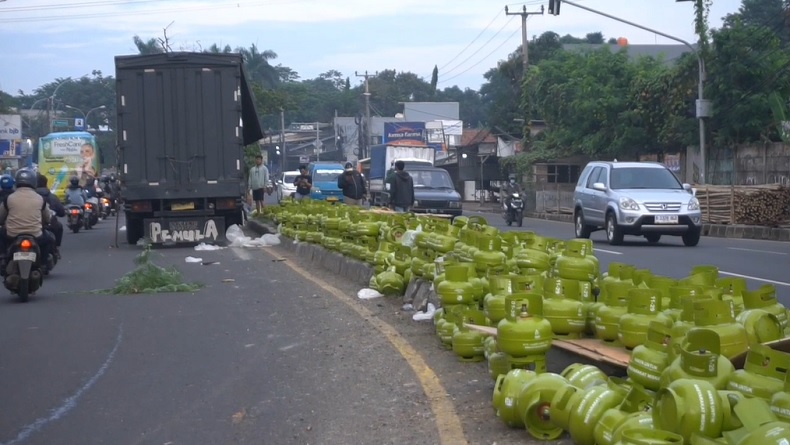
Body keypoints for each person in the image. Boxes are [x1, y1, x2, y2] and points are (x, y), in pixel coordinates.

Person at [0, 169, 54, 267]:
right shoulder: (40, 198)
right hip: (36, 234)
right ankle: (43, 263)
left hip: (12, 234)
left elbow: (1, 217)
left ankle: (3, 257)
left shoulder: (9, 198)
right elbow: (47, 218)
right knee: (48, 239)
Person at [36, 173, 65, 259]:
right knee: (59, 227)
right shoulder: (52, 197)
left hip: (32, 226)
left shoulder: (30, 197)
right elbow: (61, 212)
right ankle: (55, 249)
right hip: (47, 226)